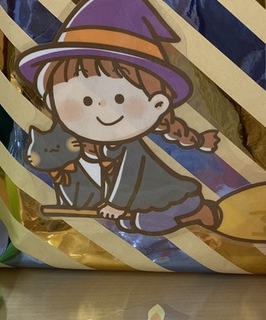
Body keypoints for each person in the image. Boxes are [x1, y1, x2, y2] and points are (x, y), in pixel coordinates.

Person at [17, 0, 221, 234]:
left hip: (159, 196)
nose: (102, 106)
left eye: (120, 98)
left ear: (159, 104)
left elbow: (129, 174)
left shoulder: (127, 148)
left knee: (141, 221)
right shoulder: (85, 143)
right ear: (52, 99)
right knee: (131, 222)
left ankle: (193, 213)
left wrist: (115, 205)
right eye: (85, 99)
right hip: (119, 211)